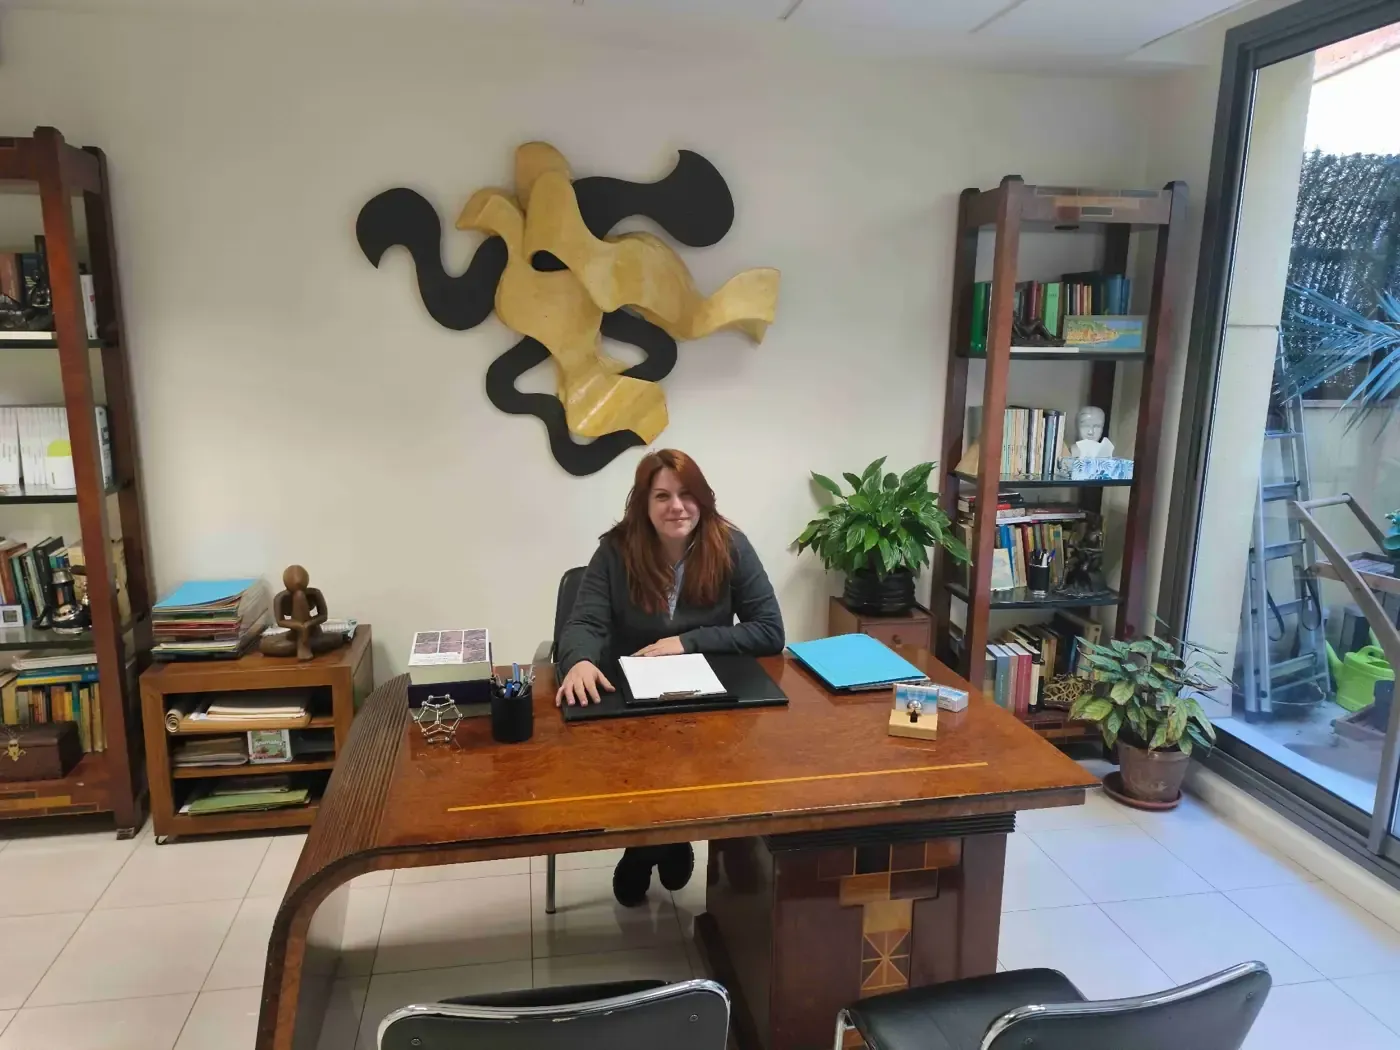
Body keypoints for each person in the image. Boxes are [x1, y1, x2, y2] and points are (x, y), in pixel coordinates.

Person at [555, 448, 785, 905]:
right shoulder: (616, 550)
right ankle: (664, 841)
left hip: (708, 696)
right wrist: (579, 659)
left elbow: (770, 630)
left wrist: (689, 642)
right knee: (644, 768)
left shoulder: (730, 545)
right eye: (661, 496)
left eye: (686, 495)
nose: (676, 506)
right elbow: (584, 624)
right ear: (644, 503)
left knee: (705, 763)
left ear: (703, 499)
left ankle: (649, 846)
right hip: (633, 701)